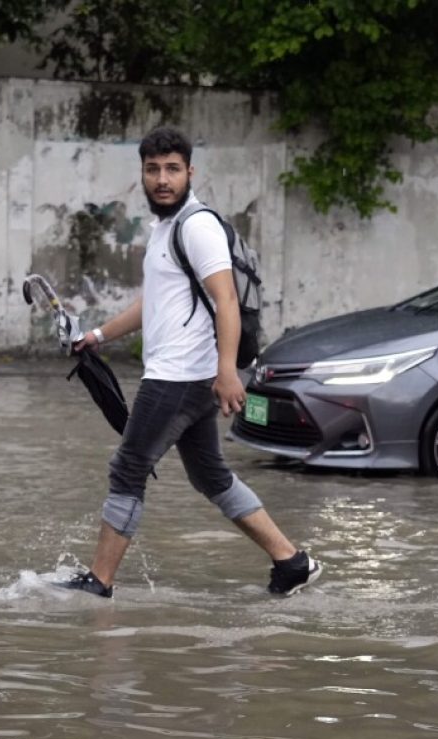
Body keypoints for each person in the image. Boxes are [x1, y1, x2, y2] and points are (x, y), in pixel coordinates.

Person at [53, 125, 321, 598]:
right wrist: (95, 335)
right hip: (191, 377)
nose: (162, 179)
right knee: (210, 476)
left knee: (128, 468)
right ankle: (291, 561)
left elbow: (227, 302)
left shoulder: (197, 226)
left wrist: (226, 373)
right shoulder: (165, 229)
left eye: (172, 169)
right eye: (153, 169)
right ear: (142, 174)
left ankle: (99, 582)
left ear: (189, 172)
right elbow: (152, 303)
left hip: (180, 376)